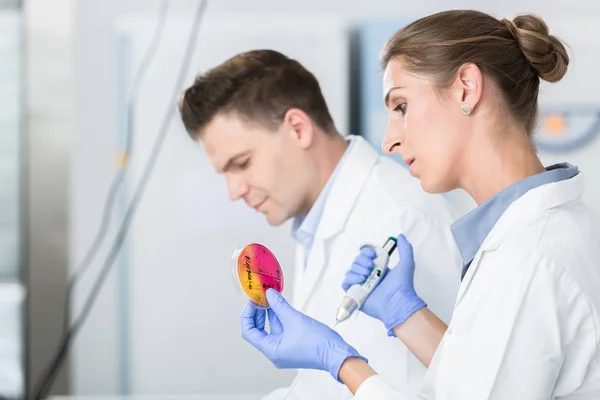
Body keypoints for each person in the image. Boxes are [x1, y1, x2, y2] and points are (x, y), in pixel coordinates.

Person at [240, 10, 600, 399]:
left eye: (401, 107)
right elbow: (481, 376)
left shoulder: (527, 259)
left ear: (466, 88)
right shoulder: (544, 230)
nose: (389, 141)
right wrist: (405, 314)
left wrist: (342, 363)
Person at [178, 49, 462, 399]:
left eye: (242, 163)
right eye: (225, 173)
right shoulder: (315, 218)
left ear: (298, 128)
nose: (234, 191)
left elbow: (455, 386)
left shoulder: (405, 219)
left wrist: (339, 362)